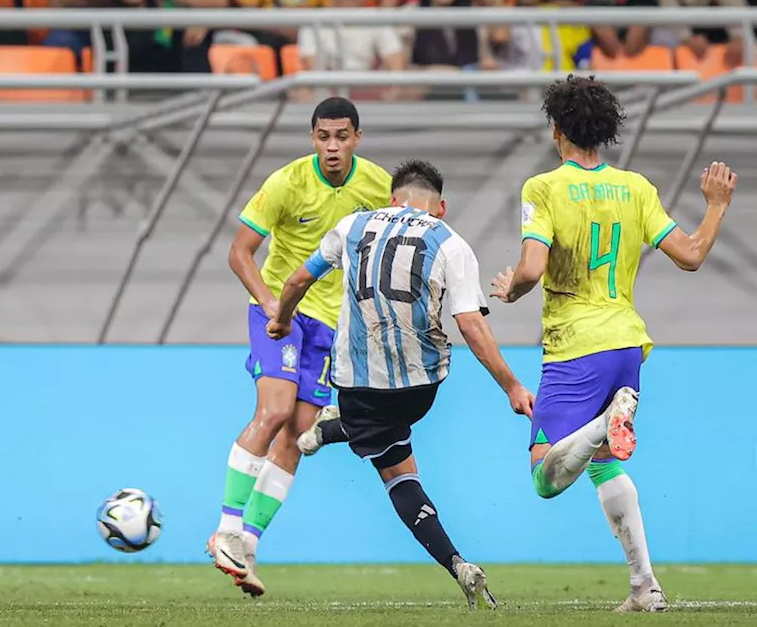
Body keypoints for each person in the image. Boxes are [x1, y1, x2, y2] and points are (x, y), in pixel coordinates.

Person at [489, 75, 739, 612]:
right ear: (604, 131)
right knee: (602, 462)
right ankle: (644, 586)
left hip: (576, 343)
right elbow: (692, 255)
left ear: (556, 129)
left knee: (544, 476)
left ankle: (604, 422)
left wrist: (510, 288)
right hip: (627, 342)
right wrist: (716, 204)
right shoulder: (636, 188)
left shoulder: (543, 188)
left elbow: (532, 268)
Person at [269, 160, 533, 609]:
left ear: (391, 200)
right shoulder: (450, 242)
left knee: (393, 470)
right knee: (391, 441)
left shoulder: (353, 225)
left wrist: (281, 318)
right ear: (441, 207)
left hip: (357, 384)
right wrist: (511, 386)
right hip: (420, 388)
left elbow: (298, 279)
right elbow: (469, 324)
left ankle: (329, 430)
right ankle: (459, 563)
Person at [207, 97, 392, 597]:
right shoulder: (287, 182)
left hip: (334, 326)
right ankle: (224, 529)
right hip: (282, 314)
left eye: (342, 136)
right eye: (323, 137)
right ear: (313, 138)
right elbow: (238, 251)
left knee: (298, 434)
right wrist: (270, 304)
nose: (332, 146)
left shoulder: (379, 186)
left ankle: (246, 545)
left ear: (357, 138)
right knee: (274, 411)